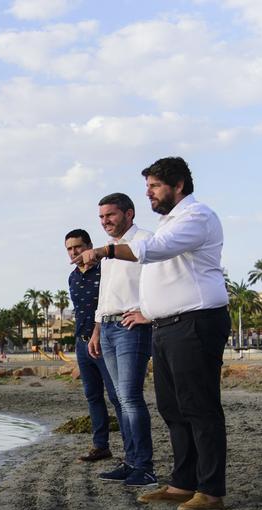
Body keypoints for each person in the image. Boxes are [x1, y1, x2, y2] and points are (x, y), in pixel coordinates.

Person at [74, 157, 231, 510]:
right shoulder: (166, 224)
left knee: (200, 407)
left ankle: (210, 490)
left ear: (178, 186)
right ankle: (182, 483)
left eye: (155, 187)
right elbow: (157, 274)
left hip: (196, 322)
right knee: (172, 408)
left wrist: (103, 250)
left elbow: (155, 251)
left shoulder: (196, 217)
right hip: (166, 326)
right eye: (147, 187)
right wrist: (149, 309)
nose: (149, 194)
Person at [91, 193, 156, 487]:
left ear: (128, 213)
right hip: (107, 328)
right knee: (119, 399)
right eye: (102, 217)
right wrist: (96, 330)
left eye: (111, 215)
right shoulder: (108, 252)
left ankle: (144, 466)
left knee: (130, 398)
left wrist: (147, 312)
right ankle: (130, 462)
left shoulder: (144, 240)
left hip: (131, 329)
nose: (105, 222)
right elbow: (105, 294)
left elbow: (159, 281)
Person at [65, 229, 122, 463]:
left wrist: (99, 333)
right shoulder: (73, 277)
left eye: (78, 246)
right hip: (81, 344)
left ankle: (132, 450)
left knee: (118, 397)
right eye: (69, 248)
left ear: (88, 245)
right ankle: (101, 446)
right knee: (93, 397)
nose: (74, 252)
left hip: (105, 340)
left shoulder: (106, 269)